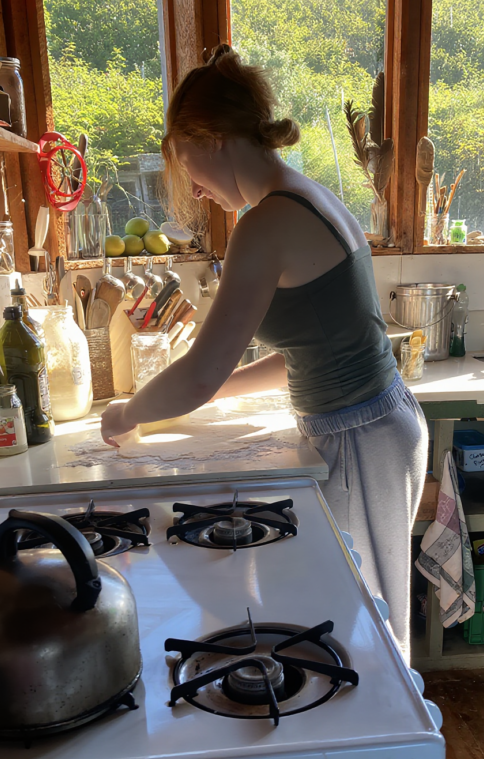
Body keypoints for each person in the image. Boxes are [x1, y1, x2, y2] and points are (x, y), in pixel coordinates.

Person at [101, 45, 428, 661]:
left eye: (186, 163)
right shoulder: (304, 196)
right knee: (350, 615)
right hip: (378, 425)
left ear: (213, 138)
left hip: (361, 437)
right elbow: (306, 353)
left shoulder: (267, 222)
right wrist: (221, 386)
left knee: (360, 629)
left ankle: (384, 753)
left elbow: (198, 371)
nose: (193, 188)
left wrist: (127, 413)